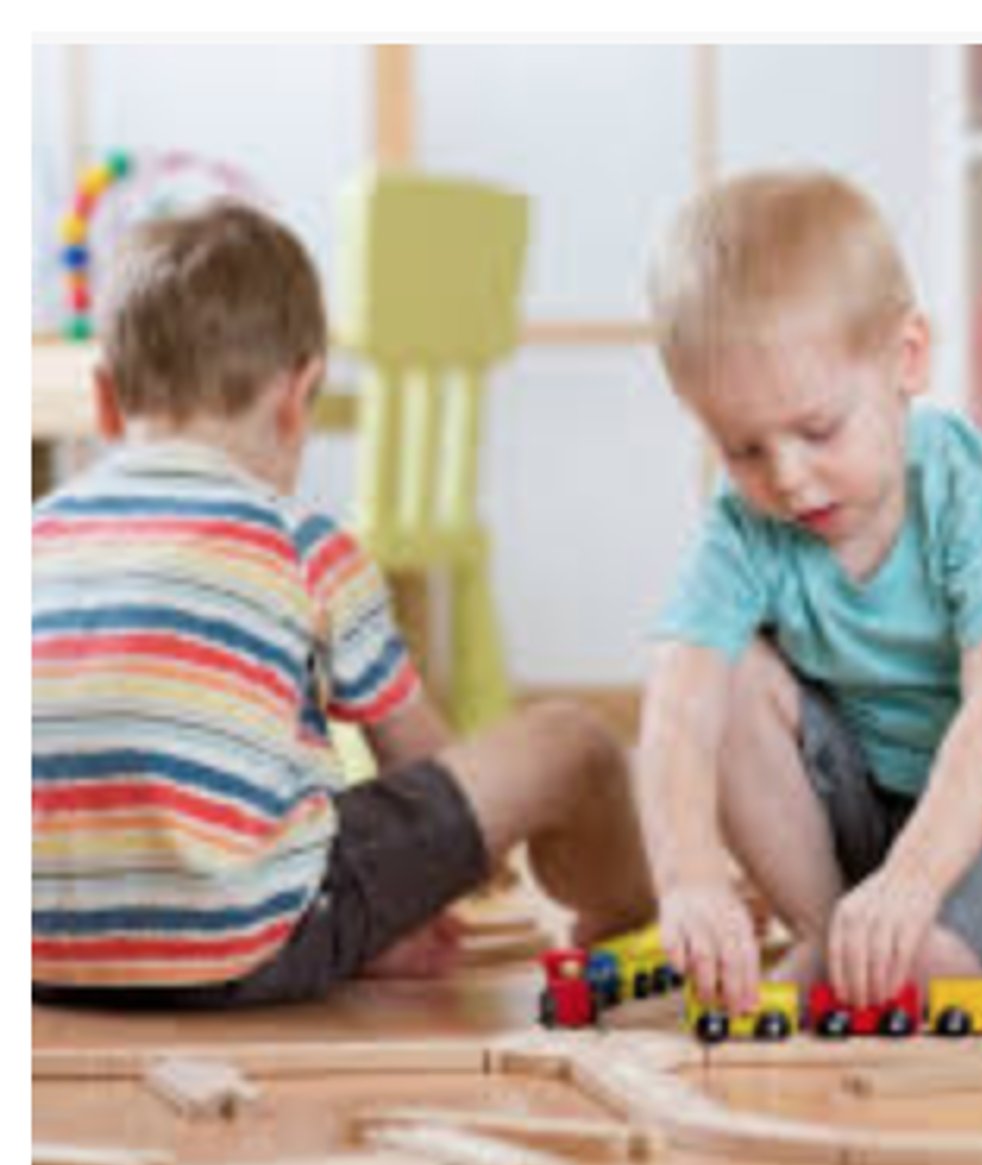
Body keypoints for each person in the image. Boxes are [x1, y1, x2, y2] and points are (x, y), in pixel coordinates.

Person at [32, 200, 653, 1007]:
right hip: (238, 951)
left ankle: (344, 931)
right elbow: (419, 768)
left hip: (38, 959)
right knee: (572, 745)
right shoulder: (301, 543)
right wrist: (464, 865)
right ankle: (629, 926)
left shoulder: (33, 537)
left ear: (106, 402)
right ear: (301, 398)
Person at [639, 170, 982, 1015]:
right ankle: (832, 932)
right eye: (743, 449)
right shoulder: (742, 526)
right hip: (867, 798)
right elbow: (679, 712)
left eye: (817, 430)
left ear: (906, 360)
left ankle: (906, 938)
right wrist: (689, 880)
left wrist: (911, 881)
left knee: (916, 978)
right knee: (736, 673)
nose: (787, 478)